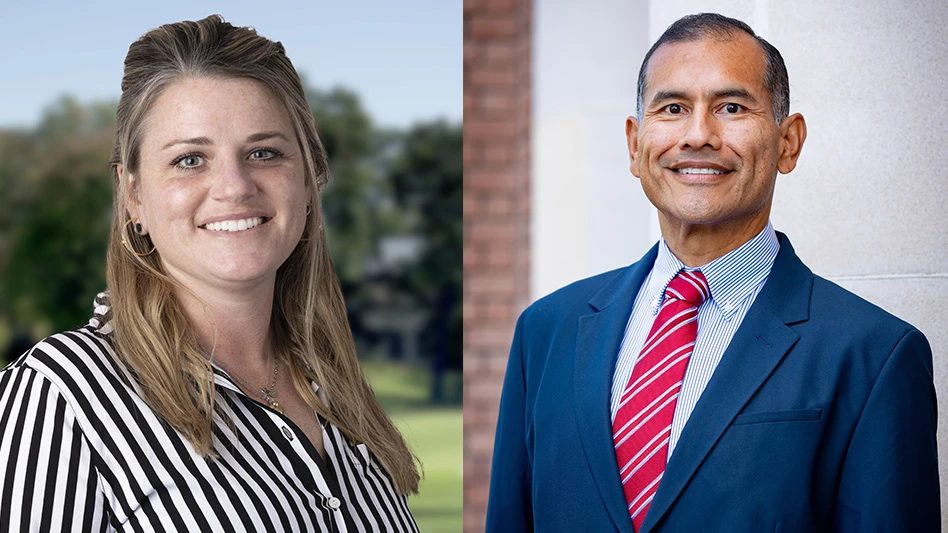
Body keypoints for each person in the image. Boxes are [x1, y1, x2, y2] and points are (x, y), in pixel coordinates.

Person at [486, 12, 939, 533]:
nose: (698, 134)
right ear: (636, 145)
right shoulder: (545, 332)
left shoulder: (874, 356)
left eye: (731, 106)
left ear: (788, 142)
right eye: (673, 108)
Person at [0, 15, 420, 532]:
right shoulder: (64, 395)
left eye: (263, 153)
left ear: (309, 182)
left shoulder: (334, 387)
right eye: (190, 159)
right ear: (133, 194)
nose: (234, 186)